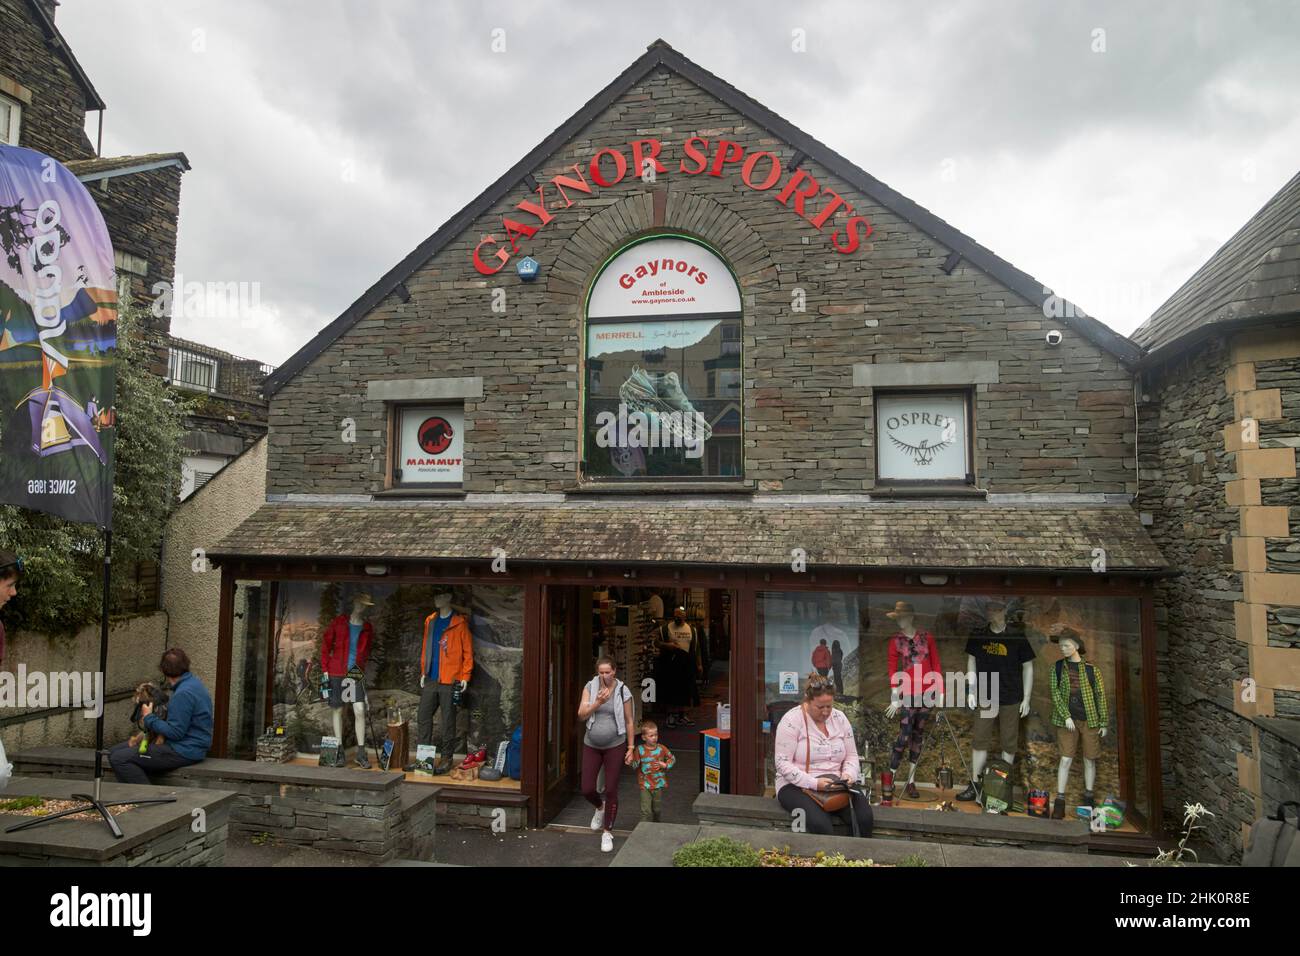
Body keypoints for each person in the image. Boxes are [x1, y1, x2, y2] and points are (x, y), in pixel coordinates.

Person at [774, 673, 873, 836]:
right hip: (796, 784)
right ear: (807, 700)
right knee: (820, 824)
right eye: (820, 707)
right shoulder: (791, 720)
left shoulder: (840, 718)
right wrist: (815, 783)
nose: (826, 712)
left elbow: (851, 756)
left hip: (835, 781)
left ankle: (858, 859)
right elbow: (782, 763)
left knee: (864, 817)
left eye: (829, 706)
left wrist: (849, 775)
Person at [108, 648, 213, 785]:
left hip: (183, 750)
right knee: (112, 752)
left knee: (119, 759)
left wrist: (148, 717)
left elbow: (176, 733)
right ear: (186, 665)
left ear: (163, 670)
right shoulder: (194, 684)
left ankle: (146, 799)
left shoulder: (183, 694)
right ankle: (135, 790)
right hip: (190, 747)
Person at [578, 656, 635, 852]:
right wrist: (598, 702)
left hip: (615, 745)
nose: (604, 676)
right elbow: (581, 714)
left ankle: (607, 832)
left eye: (607, 672)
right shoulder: (590, 687)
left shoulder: (622, 690)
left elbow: (629, 721)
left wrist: (630, 748)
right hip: (591, 744)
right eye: (601, 672)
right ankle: (599, 807)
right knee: (587, 788)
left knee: (611, 789)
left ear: (614, 671)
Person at [628, 718, 676, 823]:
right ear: (644, 737)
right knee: (646, 811)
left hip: (657, 784)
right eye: (651, 736)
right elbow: (635, 765)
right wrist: (630, 761)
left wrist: (665, 765)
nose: (654, 738)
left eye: (656, 735)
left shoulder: (661, 748)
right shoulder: (639, 749)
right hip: (644, 784)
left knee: (657, 810)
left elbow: (672, 759)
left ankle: (656, 826)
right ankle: (643, 831)